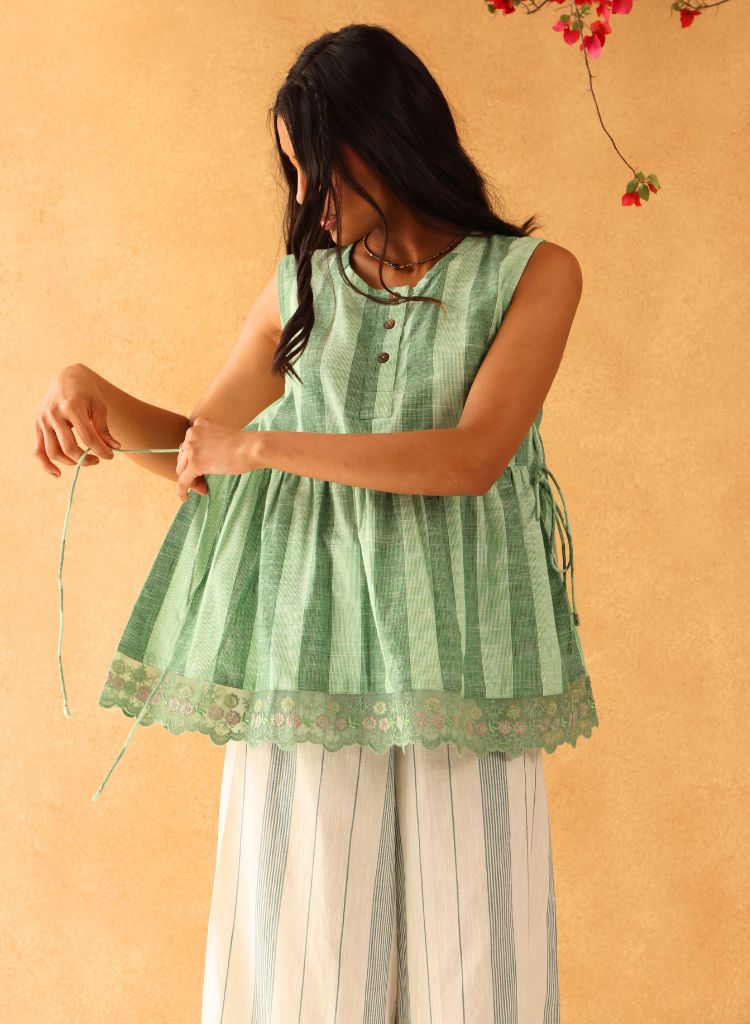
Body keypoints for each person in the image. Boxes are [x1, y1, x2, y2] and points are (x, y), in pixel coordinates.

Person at [35, 22, 598, 1024]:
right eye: (292, 172)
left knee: (481, 965)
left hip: (464, 656)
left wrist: (266, 447)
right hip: (307, 654)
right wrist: (90, 391)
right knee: (304, 968)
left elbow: (472, 457)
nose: (305, 197)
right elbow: (198, 454)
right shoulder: (300, 290)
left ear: (389, 135)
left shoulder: (533, 275)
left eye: (317, 164)